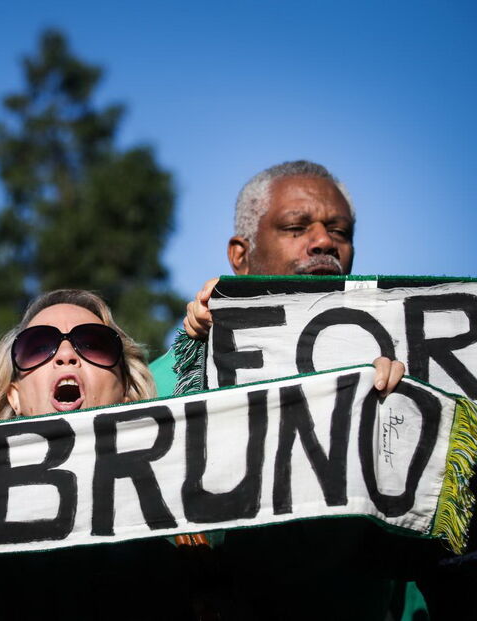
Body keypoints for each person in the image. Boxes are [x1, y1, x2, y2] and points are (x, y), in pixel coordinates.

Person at [152, 161, 426, 620]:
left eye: (339, 230)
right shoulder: (158, 387)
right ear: (241, 255)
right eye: (296, 227)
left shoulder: (400, 383)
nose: (323, 242)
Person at [0, 289, 187, 620]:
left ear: (124, 390)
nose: (65, 355)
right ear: (15, 397)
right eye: (37, 346)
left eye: (94, 343)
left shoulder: (178, 509)